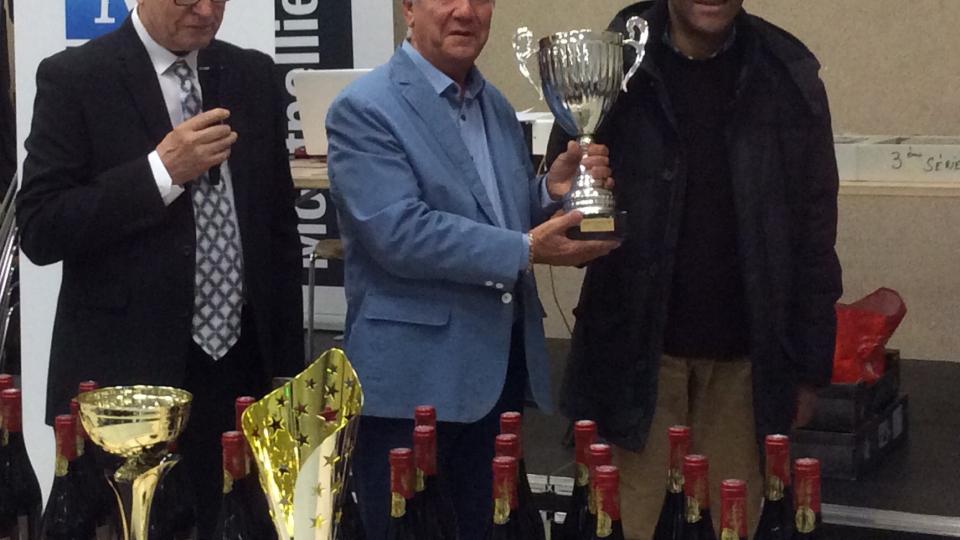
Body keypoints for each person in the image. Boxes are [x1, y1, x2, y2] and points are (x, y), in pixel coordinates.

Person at [325, 0, 620, 537]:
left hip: (496, 379)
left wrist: (548, 192)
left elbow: (494, 214)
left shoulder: (496, 106)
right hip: (412, 388)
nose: (465, 11)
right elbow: (400, 233)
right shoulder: (364, 108)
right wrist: (526, 249)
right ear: (408, 8)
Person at [548, 0, 842, 536]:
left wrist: (809, 368)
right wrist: (568, 204)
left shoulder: (787, 73)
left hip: (745, 370)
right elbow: (563, 202)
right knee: (630, 527)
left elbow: (815, 232)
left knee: (733, 526)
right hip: (635, 367)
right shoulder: (611, 61)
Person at [16, 0, 303, 535]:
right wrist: (159, 173)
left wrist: (287, 371)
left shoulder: (251, 74)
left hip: (240, 368)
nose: (205, 10)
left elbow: (277, 231)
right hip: (129, 382)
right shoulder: (77, 77)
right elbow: (40, 228)